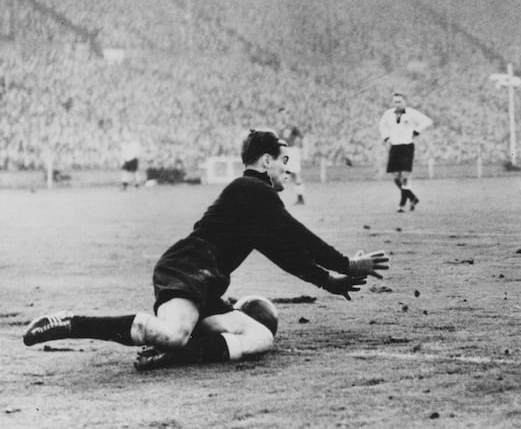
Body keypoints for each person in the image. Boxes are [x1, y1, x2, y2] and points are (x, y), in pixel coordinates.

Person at [23, 130, 390, 370]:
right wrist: (347, 264)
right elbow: (299, 237)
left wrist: (330, 281)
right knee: (172, 333)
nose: (287, 170)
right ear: (266, 161)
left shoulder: (256, 201)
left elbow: (286, 254)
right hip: (187, 267)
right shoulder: (252, 189)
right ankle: (70, 322)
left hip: (207, 282)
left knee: (261, 337)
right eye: (284, 162)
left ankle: (172, 357)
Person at [379, 92, 433, 212]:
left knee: (405, 176)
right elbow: (382, 125)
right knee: (395, 177)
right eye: (395, 102)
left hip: (407, 147)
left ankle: (402, 204)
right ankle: (412, 198)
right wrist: (386, 138)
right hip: (395, 147)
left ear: (405, 102)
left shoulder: (411, 113)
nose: (397, 104)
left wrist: (416, 131)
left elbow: (427, 121)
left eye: (399, 102)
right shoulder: (388, 114)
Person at [278, 107, 306, 205]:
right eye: (281, 114)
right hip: (282, 152)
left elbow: (302, 137)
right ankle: (298, 198)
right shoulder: (279, 127)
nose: (283, 116)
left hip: (291, 152)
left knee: (295, 175)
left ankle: (301, 198)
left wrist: (302, 150)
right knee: (281, 174)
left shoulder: (292, 126)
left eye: (285, 114)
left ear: (288, 115)